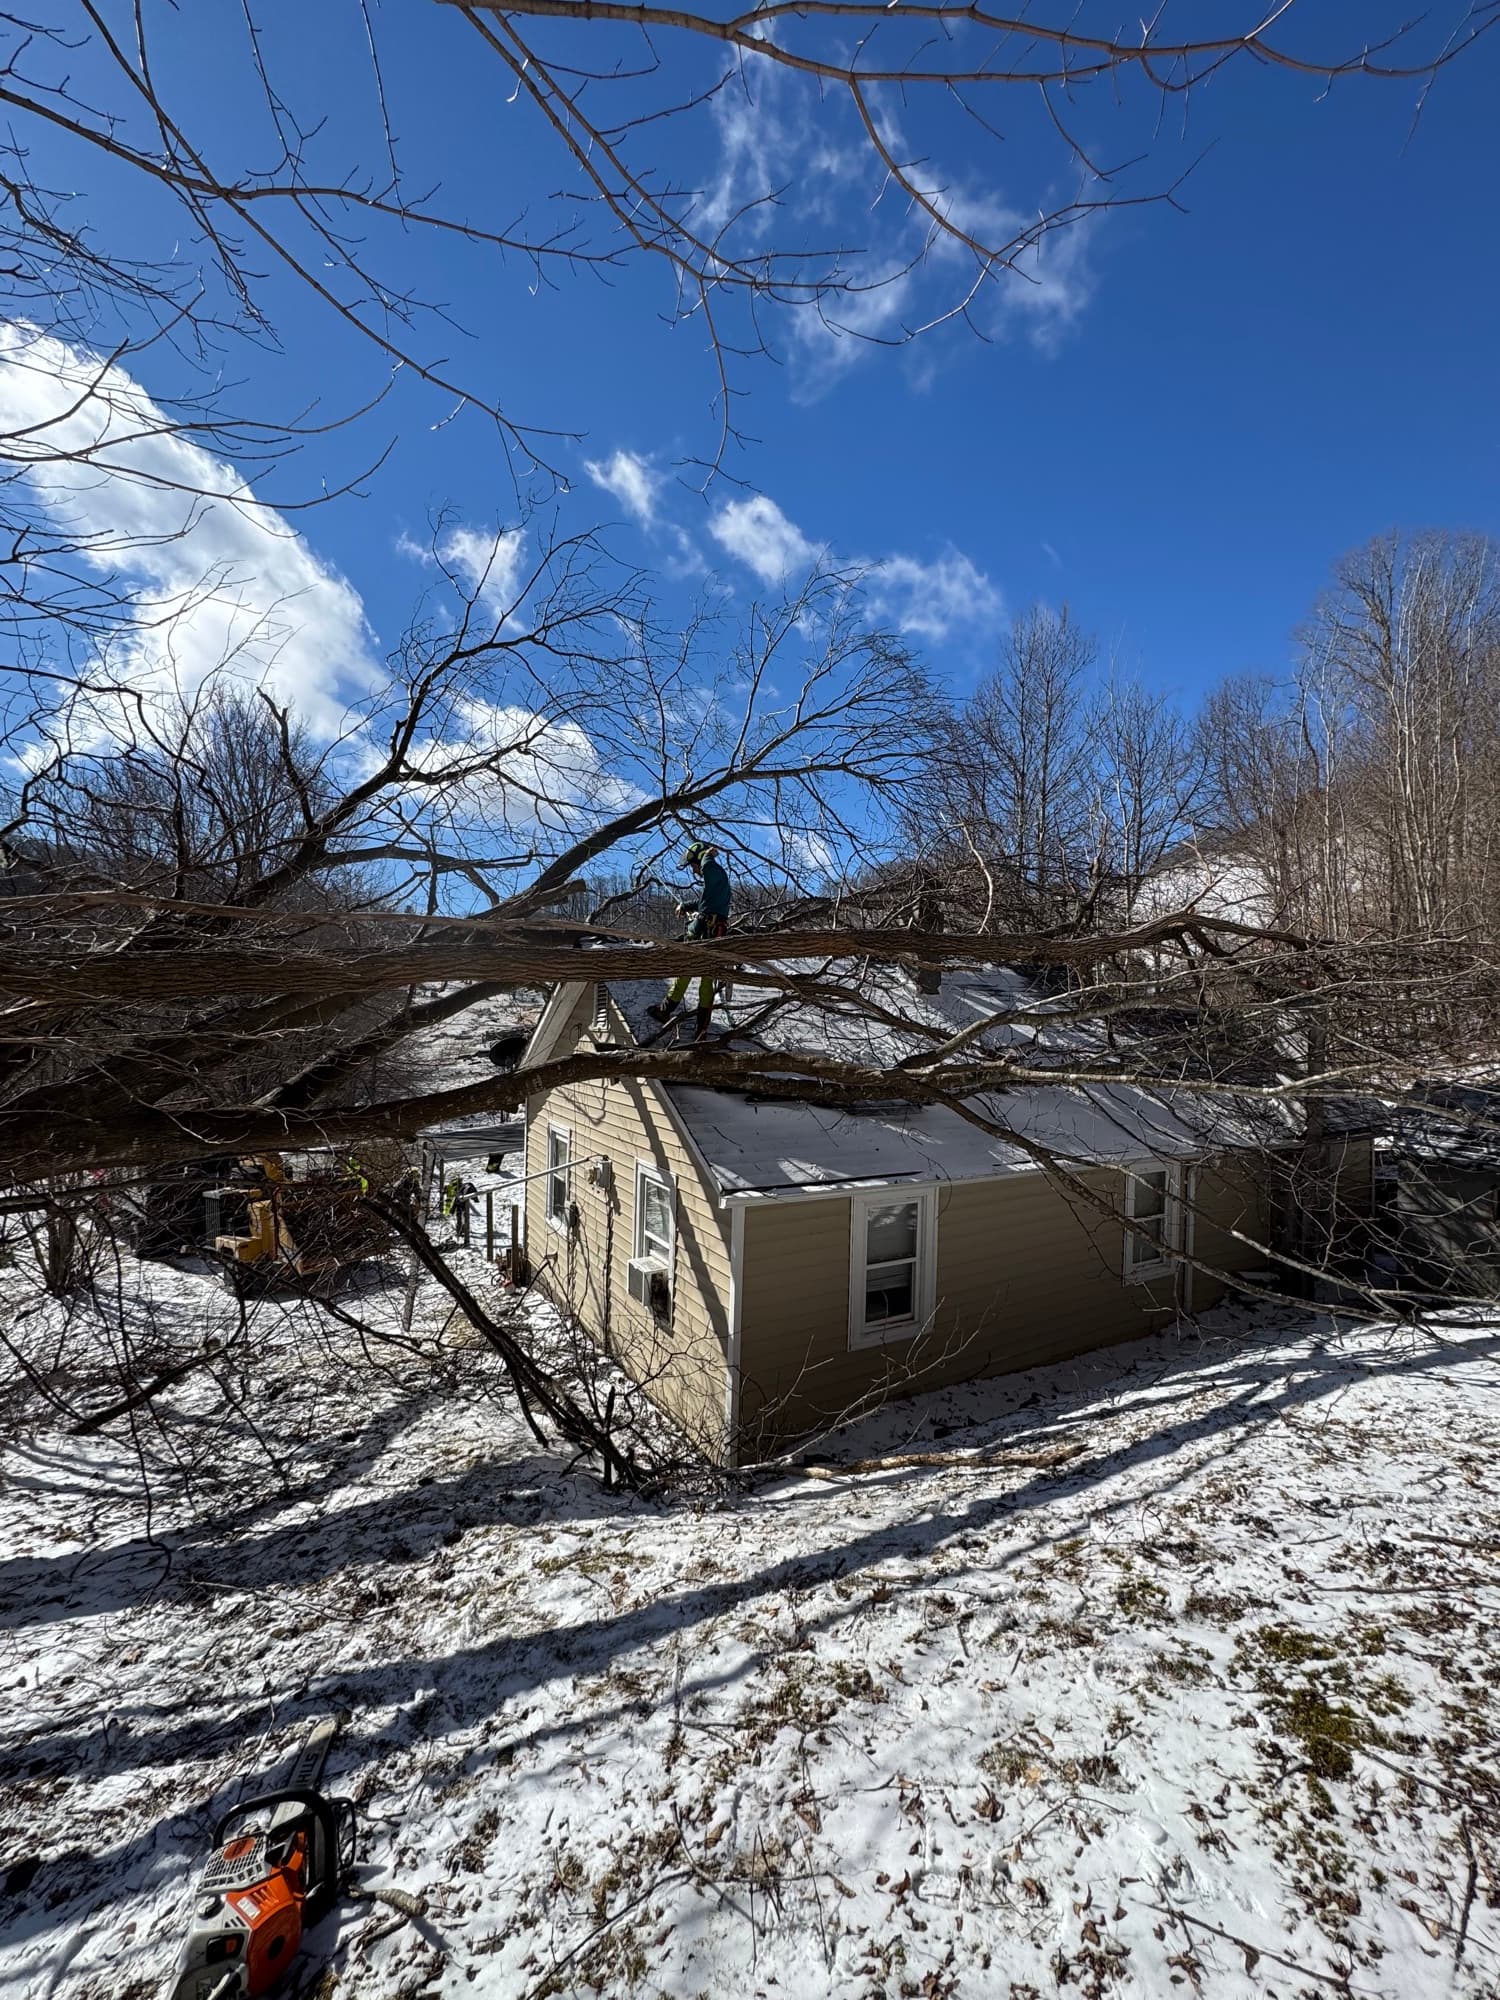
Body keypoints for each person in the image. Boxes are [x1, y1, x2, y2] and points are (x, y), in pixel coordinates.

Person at [647, 838, 731, 1040]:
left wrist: (706, 855)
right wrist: (685, 906)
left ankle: (666, 1010)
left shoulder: (711, 869)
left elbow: (706, 865)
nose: (694, 871)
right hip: (714, 930)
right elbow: (704, 902)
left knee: (685, 970)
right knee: (706, 979)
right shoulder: (717, 881)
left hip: (705, 930)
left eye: (693, 865)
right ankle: (701, 1029)